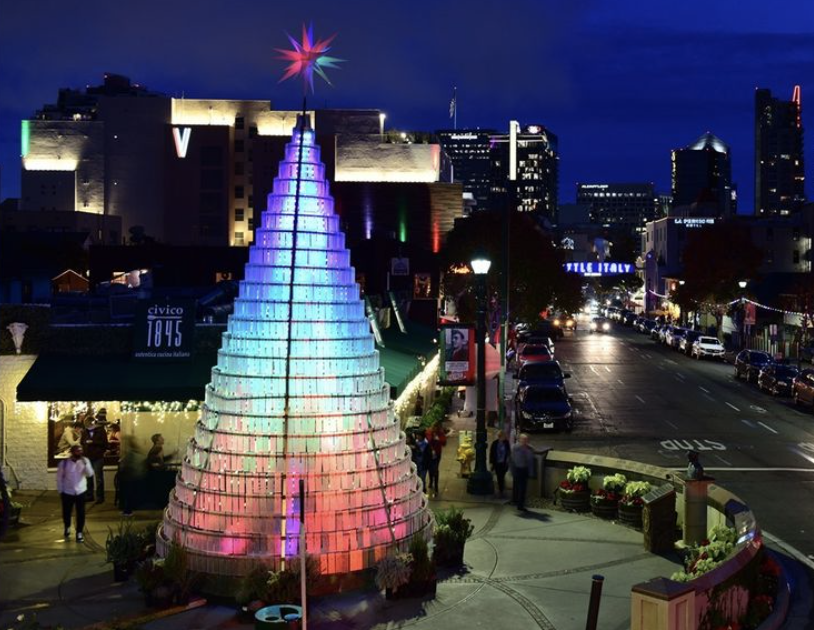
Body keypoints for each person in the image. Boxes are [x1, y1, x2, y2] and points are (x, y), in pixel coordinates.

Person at [57, 445, 94, 541]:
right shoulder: (64, 463)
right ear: (72, 452)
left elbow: (90, 474)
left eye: (81, 451)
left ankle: (79, 532)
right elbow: (59, 478)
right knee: (67, 512)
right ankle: (67, 526)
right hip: (67, 491)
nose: (79, 453)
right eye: (77, 451)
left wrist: (86, 464)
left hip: (81, 491)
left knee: (81, 513)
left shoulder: (85, 461)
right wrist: (60, 490)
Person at [82, 416, 108, 504]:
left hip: (98, 457)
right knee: (89, 477)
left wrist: (93, 442)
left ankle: (100, 497)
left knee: (98, 478)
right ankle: (90, 495)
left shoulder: (101, 431)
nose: (87, 426)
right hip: (88, 456)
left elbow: (105, 443)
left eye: (88, 424)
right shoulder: (85, 431)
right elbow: (82, 441)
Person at [510, 434, 535, 512]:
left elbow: (530, 461)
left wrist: (531, 472)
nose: (525, 441)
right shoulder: (515, 448)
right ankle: (516, 501)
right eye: (523, 439)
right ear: (520, 439)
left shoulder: (529, 449)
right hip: (517, 469)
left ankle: (520, 504)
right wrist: (512, 470)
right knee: (517, 487)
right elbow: (511, 460)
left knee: (522, 488)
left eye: (526, 439)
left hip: (524, 470)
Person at [426, 425, 447, 497]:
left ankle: (436, 485)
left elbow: (444, 442)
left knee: (435, 469)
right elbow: (428, 441)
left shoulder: (440, 433)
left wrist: (438, 439)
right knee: (430, 468)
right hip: (429, 454)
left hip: (437, 454)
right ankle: (431, 481)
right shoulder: (429, 432)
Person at [489, 430, 511, 498]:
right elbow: (492, 453)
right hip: (497, 463)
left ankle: (501, 487)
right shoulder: (495, 443)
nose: (504, 438)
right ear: (500, 437)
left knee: (502, 475)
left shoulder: (506, 443)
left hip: (504, 463)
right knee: (499, 476)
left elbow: (508, 451)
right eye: (503, 436)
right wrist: (491, 463)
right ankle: (501, 489)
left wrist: (508, 459)